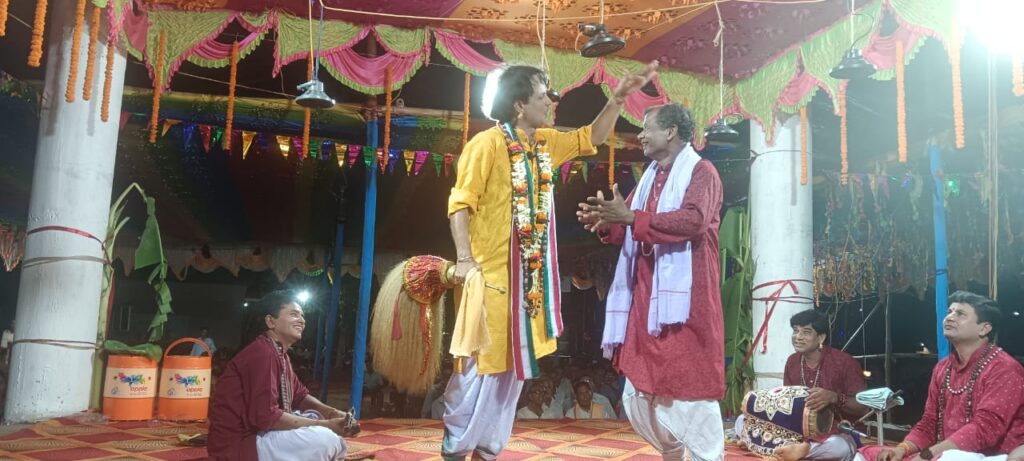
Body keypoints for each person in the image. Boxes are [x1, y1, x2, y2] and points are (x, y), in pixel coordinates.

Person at [442, 60, 658, 461]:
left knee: (511, 372)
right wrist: (465, 259)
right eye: (543, 96)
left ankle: (488, 449)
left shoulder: (544, 144)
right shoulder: (485, 145)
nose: (550, 103)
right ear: (519, 104)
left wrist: (619, 98)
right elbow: (460, 204)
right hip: (489, 278)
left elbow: (591, 136)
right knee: (479, 365)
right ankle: (456, 445)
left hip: (528, 283)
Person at [578, 102, 725, 461]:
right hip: (645, 298)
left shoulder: (702, 171)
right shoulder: (650, 177)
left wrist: (630, 218)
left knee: (689, 385)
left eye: (647, 128)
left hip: (686, 301)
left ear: (671, 132)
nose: (641, 135)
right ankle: (672, 454)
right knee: (642, 393)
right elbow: (628, 221)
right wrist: (605, 221)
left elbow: (693, 220)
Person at [858, 291, 1024, 461]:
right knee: (865, 455)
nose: (950, 318)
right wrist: (902, 449)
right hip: (943, 453)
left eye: (960, 314)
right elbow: (929, 423)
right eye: (950, 312)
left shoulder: (1004, 368)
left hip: (995, 456)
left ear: (984, 328)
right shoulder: (943, 368)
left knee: (951, 458)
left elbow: (985, 429)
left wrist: (927, 455)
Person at [208, 290, 359, 461]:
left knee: (316, 418)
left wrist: (332, 413)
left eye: (302, 315)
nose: (302, 320)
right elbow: (265, 416)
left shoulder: (279, 353)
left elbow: (300, 396)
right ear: (270, 321)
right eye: (294, 314)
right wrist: (326, 426)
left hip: (259, 435)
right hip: (239, 446)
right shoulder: (262, 353)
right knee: (326, 440)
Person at [735, 309, 870, 461]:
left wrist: (834, 398)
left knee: (840, 447)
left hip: (835, 431)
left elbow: (862, 407)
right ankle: (767, 444)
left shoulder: (844, 362)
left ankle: (784, 447)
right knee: (741, 419)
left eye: (806, 332)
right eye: (795, 331)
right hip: (798, 431)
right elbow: (787, 405)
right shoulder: (792, 361)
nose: (798, 337)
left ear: (821, 337)